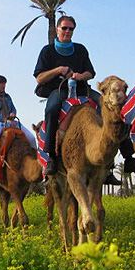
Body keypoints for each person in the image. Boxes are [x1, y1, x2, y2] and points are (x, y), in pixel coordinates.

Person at [34, 15, 96, 176]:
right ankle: (50, 156)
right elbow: (39, 78)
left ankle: (125, 156)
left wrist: (81, 76)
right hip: (59, 90)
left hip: (82, 89)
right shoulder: (47, 51)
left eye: (71, 29)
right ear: (57, 29)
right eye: (64, 28)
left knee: (108, 105)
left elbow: (90, 72)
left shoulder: (80, 49)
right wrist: (58, 70)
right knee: (52, 108)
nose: (67, 31)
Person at [0, 75, 36, 171]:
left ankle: (36, 161)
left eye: (5, 84)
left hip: (11, 121)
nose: (4, 86)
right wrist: (5, 119)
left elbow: (14, 108)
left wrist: (13, 113)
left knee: (31, 138)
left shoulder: (7, 97)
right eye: (2, 84)